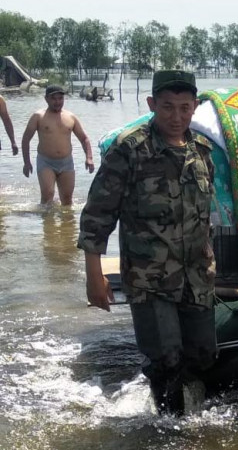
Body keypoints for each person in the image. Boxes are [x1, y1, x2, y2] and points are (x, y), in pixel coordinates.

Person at [77, 70, 217, 415]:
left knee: (203, 356)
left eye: (184, 108)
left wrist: (211, 262)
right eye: (167, 107)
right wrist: (94, 277)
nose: (176, 117)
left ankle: (194, 424)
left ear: (195, 107)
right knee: (166, 359)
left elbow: (203, 217)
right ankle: (168, 431)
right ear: (152, 104)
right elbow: (97, 215)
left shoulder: (202, 151)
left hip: (197, 276)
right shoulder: (130, 149)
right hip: (149, 278)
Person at [21, 85, 95, 205]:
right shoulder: (38, 116)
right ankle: (46, 217)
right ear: (46, 99)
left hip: (66, 162)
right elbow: (25, 140)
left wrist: (89, 158)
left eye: (60, 98)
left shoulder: (70, 117)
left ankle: (66, 218)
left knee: (67, 199)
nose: (57, 102)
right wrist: (27, 162)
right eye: (54, 99)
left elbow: (84, 139)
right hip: (46, 162)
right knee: (47, 195)